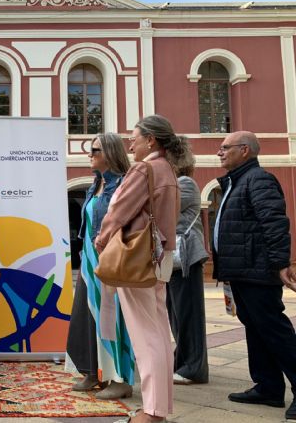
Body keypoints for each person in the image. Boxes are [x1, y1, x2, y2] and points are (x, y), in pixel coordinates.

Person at [96, 115, 186, 423]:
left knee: (146, 338)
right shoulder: (167, 169)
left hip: (137, 260)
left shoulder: (144, 168)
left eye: (134, 136)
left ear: (151, 140)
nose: (130, 142)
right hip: (159, 258)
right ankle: (157, 407)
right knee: (158, 334)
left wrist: (102, 239)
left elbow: (119, 210)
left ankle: (152, 412)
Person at [212, 131, 296, 420]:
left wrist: (279, 263)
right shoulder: (238, 181)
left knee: (274, 330)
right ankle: (269, 387)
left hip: (258, 270)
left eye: (225, 148)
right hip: (243, 269)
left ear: (245, 150)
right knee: (256, 328)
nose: (219, 152)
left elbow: (274, 223)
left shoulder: (258, 179)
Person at [65, 133, 135, 399]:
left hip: (111, 260)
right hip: (89, 261)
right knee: (87, 316)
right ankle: (92, 371)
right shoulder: (97, 185)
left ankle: (120, 378)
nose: (89, 155)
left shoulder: (122, 186)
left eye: (95, 150)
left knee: (113, 319)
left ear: (110, 153)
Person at [166, 151, 209, 386]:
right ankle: (183, 361)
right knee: (176, 314)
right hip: (173, 260)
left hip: (186, 259)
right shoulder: (175, 184)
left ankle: (194, 368)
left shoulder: (185, 183)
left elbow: (162, 207)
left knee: (188, 315)